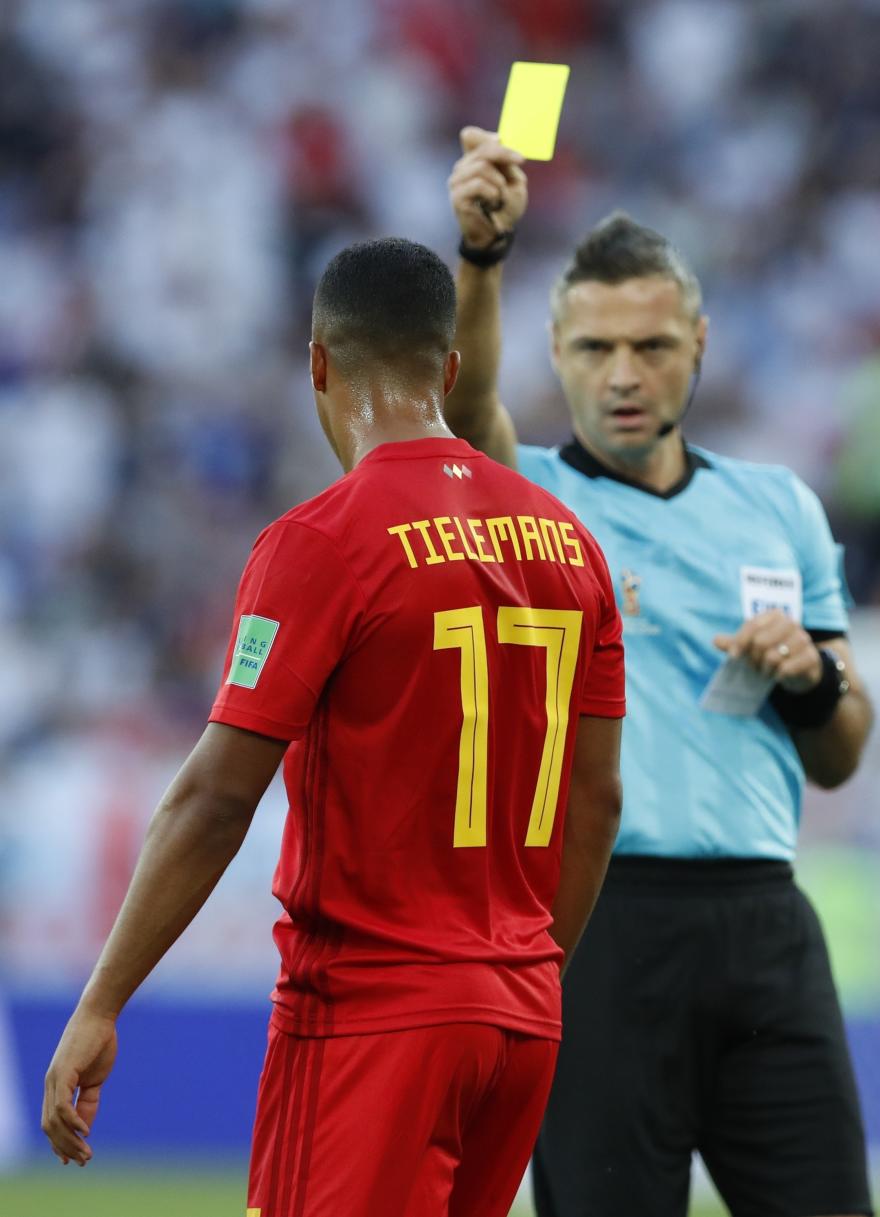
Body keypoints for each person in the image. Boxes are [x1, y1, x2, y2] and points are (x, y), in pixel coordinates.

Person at [42, 237, 626, 1217]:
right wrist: (519, 973)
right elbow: (598, 797)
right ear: (447, 368)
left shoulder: (321, 541)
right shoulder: (569, 543)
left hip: (374, 1011)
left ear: (318, 362)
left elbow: (217, 794)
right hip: (522, 1017)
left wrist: (101, 1000)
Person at [446, 128, 876, 1217]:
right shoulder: (528, 498)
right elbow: (459, 415)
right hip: (598, 925)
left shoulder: (779, 505)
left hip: (766, 918)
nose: (624, 375)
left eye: (650, 345)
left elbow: (841, 753)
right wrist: (481, 261)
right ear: (555, 352)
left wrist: (811, 679)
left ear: (700, 342)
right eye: (594, 349)